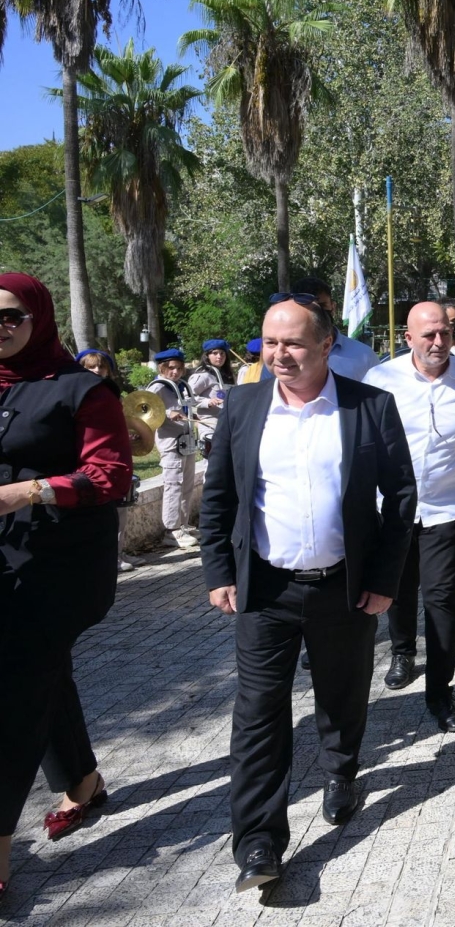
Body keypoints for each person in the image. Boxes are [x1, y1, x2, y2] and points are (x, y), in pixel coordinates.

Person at [199, 296, 416, 896]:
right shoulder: (243, 406)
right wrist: (219, 570)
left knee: (341, 694)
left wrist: (384, 581)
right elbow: (219, 497)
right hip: (265, 589)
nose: (279, 354)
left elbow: (401, 497)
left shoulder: (369, 406)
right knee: (258, 714)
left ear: (325, 345)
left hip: (344, 586)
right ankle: (259, 841)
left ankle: (342, 773)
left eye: (292, 342)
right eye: (270, 342)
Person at [0, 274, 132, 901]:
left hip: (62, 565)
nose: (0, 329)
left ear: (39, 316)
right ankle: (83, 783)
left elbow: (111, 475)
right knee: (43, 673)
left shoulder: (82, 388)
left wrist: (28, 491)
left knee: (15, 695)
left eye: (10, 316)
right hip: (6, 561)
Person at [363, 303, 455, 732]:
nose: (438, 342)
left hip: (448, 508)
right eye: (429, 335)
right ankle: (403, 652)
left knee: (441, 601)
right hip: (392, 510)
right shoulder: (380, 379)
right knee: (398, 591)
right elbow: (365, 447)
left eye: (445, 334)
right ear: (408, 338)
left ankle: (440, 691)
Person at [78, 349, 138, 573]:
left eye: (101, 366)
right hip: (88, 464)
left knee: (119, 511)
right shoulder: (76, 394)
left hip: (114, 460)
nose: (96, 370)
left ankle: (118, 553)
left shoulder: (113, 395)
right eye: (90, 366)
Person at [147, 347, 199, 550]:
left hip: (187, 441)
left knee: (187, 485)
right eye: (171, 368)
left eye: (178, 368)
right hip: (171, 444)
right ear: (162, 368)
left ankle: (183, 524)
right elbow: (145, 410)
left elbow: (190, 403)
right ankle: (171, 530)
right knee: (173, 486)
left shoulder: (182, 385)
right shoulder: (157, 387)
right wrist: (168, 414)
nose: (175, 372)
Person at [290, 277, 381, 381]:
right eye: (307, 308)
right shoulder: (281, 357)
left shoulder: (364, 356)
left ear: (333, 307)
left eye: (322, 306)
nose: (315, 315)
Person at [188, 339, 235, 449]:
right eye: (215, 353)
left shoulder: (229, 376)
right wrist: (207, 402)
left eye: (222, 353)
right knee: (212, 457)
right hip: (209, 424)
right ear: (207, 356)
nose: (219, 356)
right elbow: (187, 396)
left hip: (227, 423)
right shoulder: (202, 375)